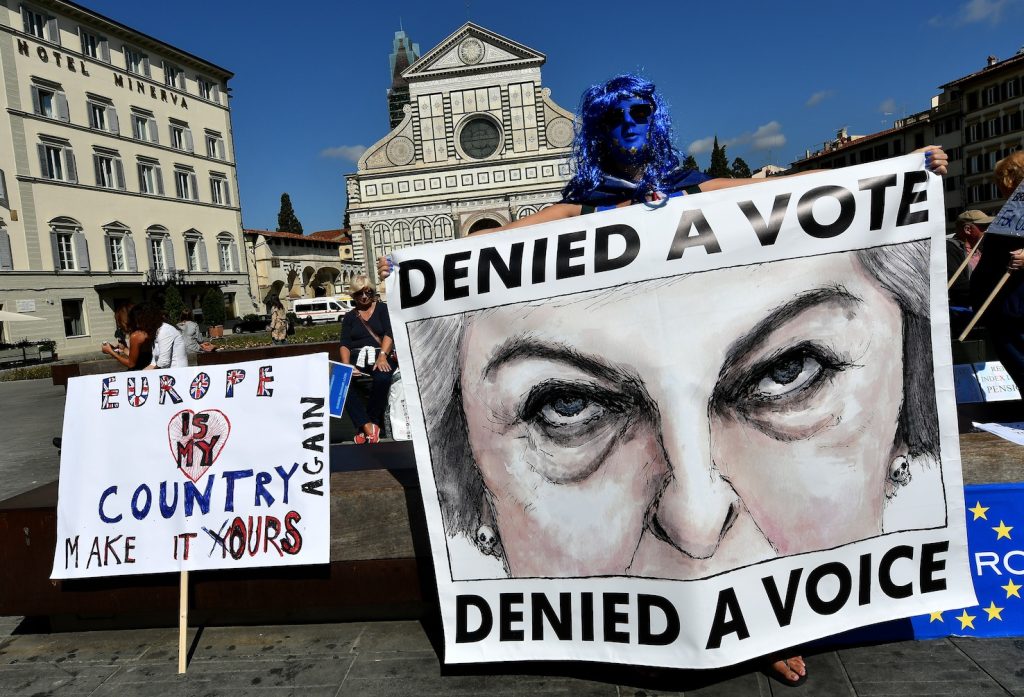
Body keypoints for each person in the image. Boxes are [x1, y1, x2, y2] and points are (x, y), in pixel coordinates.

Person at [377, 74, 949, 685]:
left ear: (656, 119)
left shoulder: (691, 189)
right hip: (646, 382)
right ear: (596, 131)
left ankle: (771, 635)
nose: (629, 124)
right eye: (614, 117)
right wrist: (418, 266)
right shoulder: (585, 205)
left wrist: (900, 169)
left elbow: (788, 192)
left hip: (699, 371)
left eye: (639, 111)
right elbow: (510, 237)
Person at [969, 151, 1024, 387]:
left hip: (1015, 309)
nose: (1000, 186)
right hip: (1002, 309)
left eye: (1001, 179)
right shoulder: (1012, 210)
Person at [339, 276, 395, 444]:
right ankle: (369, 426)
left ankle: (367, 426)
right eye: (359, 294)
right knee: (341, 383)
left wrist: (383, 356)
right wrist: (346, 365)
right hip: (357, 357)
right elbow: (345, 343)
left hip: (381, 353)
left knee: (382, 377)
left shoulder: (382, 309)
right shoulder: (350, 317)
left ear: (372, 292)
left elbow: (389, 333)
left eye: (367, 292)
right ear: (353, 296)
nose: (364, 296)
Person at [946, 210, 992, 337]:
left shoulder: (981, 249)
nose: (988, 230)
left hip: (984, 311)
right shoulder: (949, 250)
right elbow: (957, 285)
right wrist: (987, 293)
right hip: (965, 317)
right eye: (984, 227)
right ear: (968, 229)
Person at [101, 303, 155, 370]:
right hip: (145, 367)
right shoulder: (143, 331)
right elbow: (139, 356)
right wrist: (124, 349)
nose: (118, 325)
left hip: (141, 371)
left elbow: (131, 364)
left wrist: (111, 352)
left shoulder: (136, 336)